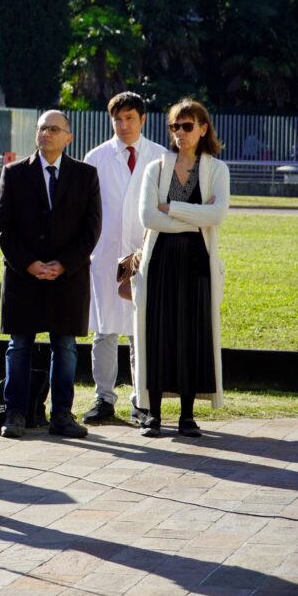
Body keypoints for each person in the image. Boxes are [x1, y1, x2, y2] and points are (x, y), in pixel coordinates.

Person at [0, 111, 102, 440]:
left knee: (65, 346)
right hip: (23, 277)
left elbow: (91, 228)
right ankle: (16, 414)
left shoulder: (85, 175)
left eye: (54, 129)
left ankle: (62, 416)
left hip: (66, 278)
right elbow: (2, 228)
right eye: (42, 128)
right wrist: (29, 263)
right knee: (20, 345)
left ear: (68, 137)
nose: (46, 134)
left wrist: (64, 264)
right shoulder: (13, 174)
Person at [133, 99, 228, 437]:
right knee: (157, 332)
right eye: (175, 126)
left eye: (188, 126)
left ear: (203, 129)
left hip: (196, 263)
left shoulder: (217, 170)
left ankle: (187, 415)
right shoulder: (155, 169)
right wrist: (194, 217)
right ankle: (153, 415)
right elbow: (147, 217)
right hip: (159, 262)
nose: (181, 133)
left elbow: (217, 216)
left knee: (192, 332)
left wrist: (171, 208)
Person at [82, 92, 167, 425]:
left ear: (143, 119)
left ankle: (141, 399)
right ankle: (103, 398)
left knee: (141, 329)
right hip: (105, 255)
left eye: (130, 118)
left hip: (145, 253)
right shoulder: (96, 157)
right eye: (118, 119)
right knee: (104, 329)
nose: (124, 124)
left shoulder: (160, 157)